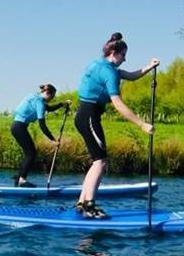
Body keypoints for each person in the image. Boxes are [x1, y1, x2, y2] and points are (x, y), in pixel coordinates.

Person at [74, 32, 158, 219]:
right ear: (114, 52)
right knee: (101, 162)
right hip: (89, 116)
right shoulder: (108, 71)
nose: (125, 59)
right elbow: (118, 104)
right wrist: (142, 124)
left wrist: (149, 67)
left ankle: (82, 203)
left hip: (84, 115)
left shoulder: (99, 65)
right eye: (123, 55)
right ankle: (89, 206)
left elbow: (131, 75)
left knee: (97, 161)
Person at [10, 84, 70, 187]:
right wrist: (53, 140)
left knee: (29, 153)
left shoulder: (35, 96)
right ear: (47, 93)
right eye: (52, 97)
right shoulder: (40, 103)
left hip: (17, 127)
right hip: (19, 127)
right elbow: (42, 125)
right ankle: (22, 179)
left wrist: (62, 104)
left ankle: (19, 178)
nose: (51, 99)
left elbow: (49, 108)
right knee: (31, 153)